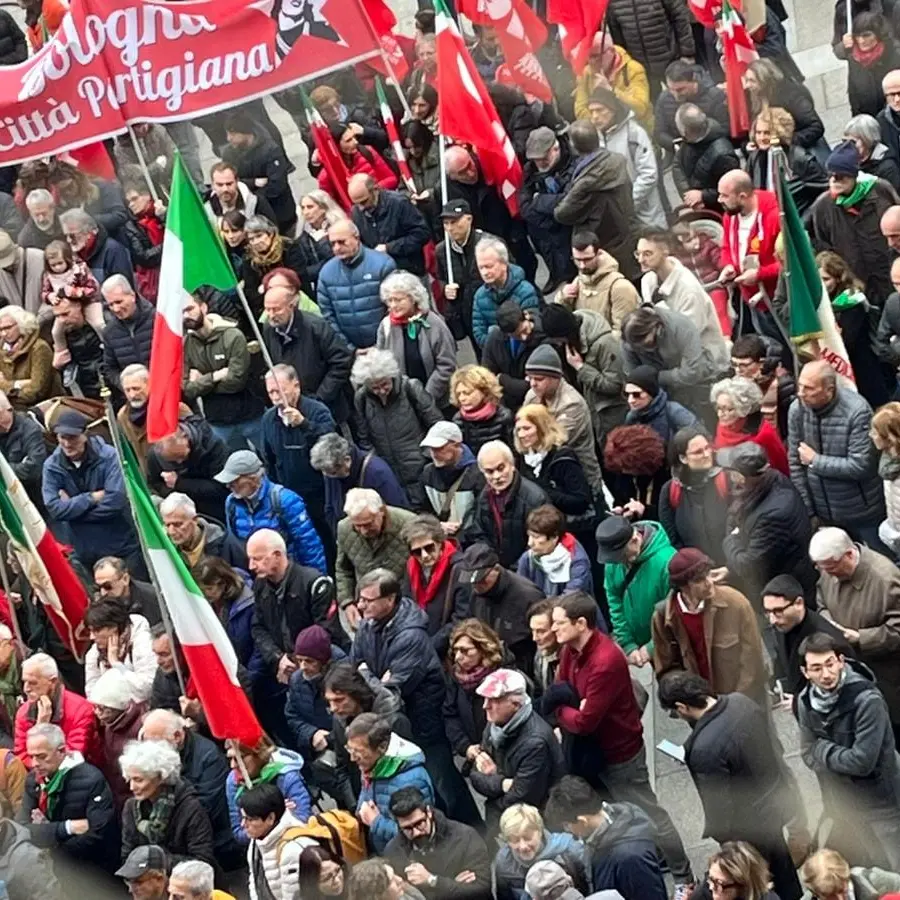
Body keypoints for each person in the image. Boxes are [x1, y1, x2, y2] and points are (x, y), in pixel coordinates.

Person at [548, 593, 694, 887]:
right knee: (613, 812)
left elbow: (585, 721)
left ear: (581, 623)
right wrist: (571, 706)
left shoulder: (605, 660)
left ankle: (683, 876)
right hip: (593, 754)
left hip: (620, 754)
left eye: (559, 623)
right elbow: (560, 689)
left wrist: (562, 710)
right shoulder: (570, 651)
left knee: (650, 813)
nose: (554, 630)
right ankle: (652, 854)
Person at [350, 569, 480, 828]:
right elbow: (356, 666)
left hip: (424, 723)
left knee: (444, 783)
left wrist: (367, 673)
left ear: (390, 600)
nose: (361, 605)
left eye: (368, 599)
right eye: (360, 598)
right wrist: (370, 674)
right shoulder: (367, 625)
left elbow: (391, 691)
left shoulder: (411, 636)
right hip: (398, 722)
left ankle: (475, 833)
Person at [659, 672, 802, 899]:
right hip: (773, 804)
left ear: (682, 706)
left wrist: (725, 841)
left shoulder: (705, 751)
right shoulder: (740, 702)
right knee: (782, 868)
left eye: (674, 713)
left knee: (755, 882)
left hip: (747, 829)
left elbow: (719, 808)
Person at [796, 632, 900, 868]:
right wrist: (827, 754)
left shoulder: (866, 700)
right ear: (805, 672)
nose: (826, 674)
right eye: (816, 668)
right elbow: (805, 753)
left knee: (896, 865)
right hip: (847, 803)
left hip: (882, 802)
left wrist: (821, 748)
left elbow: (862, 761)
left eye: (830, 664)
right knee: (875, 864)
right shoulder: (805, 701)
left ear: (841, 661)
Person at [810, 526, 900, 735]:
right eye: (822, 568)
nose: (827, 574)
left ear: (849, 555)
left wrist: (861, 637)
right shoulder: (828, 568)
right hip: (852, 670)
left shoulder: (886, 580)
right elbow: (821, 600)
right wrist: (828, 621)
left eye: (831, 567)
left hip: (888, 676)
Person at [652, 549, 768, 710]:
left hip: (741, 704)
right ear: (683, 587)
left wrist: (736, 704)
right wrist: (692, 700)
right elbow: (666, 668)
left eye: (709, 574)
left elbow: (752, 661)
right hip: (700, 708)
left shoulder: (736, 603)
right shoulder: (663, 617)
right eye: (700, 580)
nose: (709, 582)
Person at [788, 360, 885, 548]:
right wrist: (809, 509)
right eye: (800, 386)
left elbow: (861, 465)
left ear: (829, 389)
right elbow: (795, 461)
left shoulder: (857, 411)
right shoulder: (797, 409)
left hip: (862, 511)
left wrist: (815, 460)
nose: (801, 393)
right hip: (825, 512)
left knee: (880, 560)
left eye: (809, 388)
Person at [247, 528, 334, 714]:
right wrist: (278, 658)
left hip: (321, 669)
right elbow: (258, 627)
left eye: (257, 558)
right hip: (280, 665)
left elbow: (325, 631)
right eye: (250, 559)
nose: (251, 566)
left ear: (277, 555)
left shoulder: (315, 583)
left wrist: (296, 659)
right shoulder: (260, 586)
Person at [42, 411, 142, 572]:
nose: (67, 444)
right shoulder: (52, 466)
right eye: (62, 437)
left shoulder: (109, 457)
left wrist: (73, 513)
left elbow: (116, 501)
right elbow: (54, 508)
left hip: (120, 545)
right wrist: (91, 498)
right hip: (82, 550)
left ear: (85, 435)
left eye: (72, 437)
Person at [720, 442, 817, 606]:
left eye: (732, 472)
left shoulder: (774, 514)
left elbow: (749, 566)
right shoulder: (770, 480)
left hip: (785, 595)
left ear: (742, 477)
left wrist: (730, 539)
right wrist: (730, 567)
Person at [467, 668, 565, 828]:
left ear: (515, 704)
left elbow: (522, 795)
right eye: (485, 699)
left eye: (494, 700)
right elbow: (475, 775)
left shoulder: (535, 742)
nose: (485, 706)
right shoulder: (495, 724)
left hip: (532, 823)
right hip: (506, 811)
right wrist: (501, 783)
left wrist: (492, 777)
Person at [543, 777, 668, 900]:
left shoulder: (630, 858)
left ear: (582, 821)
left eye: (567, 825)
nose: (567, 831)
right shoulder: (605, 829)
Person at [139, 709, 233, 866]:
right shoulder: (153, 756)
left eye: (156, 742)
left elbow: (207, 807)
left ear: (177, 736)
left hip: (213, 843)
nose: (151, 748)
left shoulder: (209, 758)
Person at [19, 722, 118, 870]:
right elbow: (21, 829)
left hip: (91, 871)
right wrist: (67, 828)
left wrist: (50, 842)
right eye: (31, 756)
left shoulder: (91, 780)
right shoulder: (34, 780)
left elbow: (98, 834)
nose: (35, 764)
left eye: (41, 757)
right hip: (51, 868)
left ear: (61, 751)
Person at [810, 141, 899, 306]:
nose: (834, 180)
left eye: (841, 176)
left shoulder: (881, 190)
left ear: (854, 175)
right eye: (831, 175)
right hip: (856, 286)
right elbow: (821, 244)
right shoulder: (822, 206)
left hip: (888, 277)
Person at [351, 349, 442, 509]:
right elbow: (364, 438)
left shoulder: (410, 388)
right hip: (390, 474)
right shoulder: (362, 398)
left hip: (421, 469)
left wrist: (427, 456)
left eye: (384, 384)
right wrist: (378, 465)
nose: (381, 391)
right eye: (374, 387)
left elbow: (437, 425)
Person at [260, 364, 336, 548]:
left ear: (296, 386)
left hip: (321, 494)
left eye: (281, 391)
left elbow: (332, 442)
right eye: (271, 393)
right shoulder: (268, 419)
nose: (277, 398)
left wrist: (304, 424)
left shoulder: (317, 410)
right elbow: (268, 459)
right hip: (291, 497)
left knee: (328, 540)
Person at [553, 121, 637, 282]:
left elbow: (562, 214)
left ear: (574, 146)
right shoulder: (617, 161)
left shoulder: (585, 182)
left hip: (599, 240)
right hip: (624, 230)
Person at [216, 450, 327, 573]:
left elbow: (308, 544)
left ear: (252, 478)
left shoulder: (285, 500)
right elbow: (234, 546)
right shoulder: (231, 503)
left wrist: (318, 578)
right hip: (256, 577)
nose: (229, 486)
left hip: (288, 575)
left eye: (235, 481)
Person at [261, 279, 353, 425]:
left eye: (277, 309)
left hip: (325, 406)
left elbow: (342, 361)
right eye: (268, 309)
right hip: (290, 406)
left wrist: (320, 397)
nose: (271, 315)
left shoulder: (316, 327)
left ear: (292, 306)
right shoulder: (268, 328)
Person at [181, 292, 265, 450]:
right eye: (182, 313)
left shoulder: (232, 336)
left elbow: (236, 381)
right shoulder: (186, 346)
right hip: (218, 422)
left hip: (251, 415)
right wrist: (216, 376)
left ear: (203, 307)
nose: (186, 315)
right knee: (236, 469)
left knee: (272, 459)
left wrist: (201, 381)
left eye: (190, 309)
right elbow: (188, 390)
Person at [120, 739, 217, 870]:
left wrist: (155, 861)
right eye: (129, 779)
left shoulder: (191, 808)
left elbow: (203, 860)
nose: (132, 787)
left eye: (138, 780)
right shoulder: (131, 806)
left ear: (161, 777)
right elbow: (127, 853)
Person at [347, 713, 434, 854]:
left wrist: (376, 822)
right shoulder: (373, 766)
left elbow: (421, 834)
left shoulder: (411, 780)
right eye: (350, 750)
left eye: (358, 752)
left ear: (381, 748)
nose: (352, 758)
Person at [385, 786, 492, 900]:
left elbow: (482, 889)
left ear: (429, 812)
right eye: (407, 828)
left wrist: (433, 881)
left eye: (419, 823)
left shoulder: (465, 837)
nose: (416, 833)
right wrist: (455, 886)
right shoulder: (393, 851)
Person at [514, 404, 598, 548]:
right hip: (541, 536)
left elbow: (580, 501)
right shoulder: (522, 459)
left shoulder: (563, 458)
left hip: (574, 535)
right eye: (518, 429)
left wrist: (544, 492)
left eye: (527, 428)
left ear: (542, 428)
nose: (521, 434)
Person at [597, 515, 677, 666]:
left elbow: (673, 612)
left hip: (668, 644)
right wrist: (627, 644)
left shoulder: (668, 562)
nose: (620, 561)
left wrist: (652, 647)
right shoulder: (614, 560)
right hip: (637, 643)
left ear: (634, 540)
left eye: (623, 555)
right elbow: (614, 599)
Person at [523, 346, 604, 492]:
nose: (533, 383)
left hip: (580, 480)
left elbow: (553, 442)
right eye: (530, 378)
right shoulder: (532, 396)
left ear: (556, 378)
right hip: (547, 475)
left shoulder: (573, 404)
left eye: (539, 379)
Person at [761, 574, 854, 702]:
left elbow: (846, 690)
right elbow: (782, 657)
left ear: (799, 603)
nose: (772, 620)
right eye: (768, 612)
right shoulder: (783, 624)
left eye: (778, 611)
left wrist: (800, 702)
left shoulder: (829, 638)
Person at [817, 248, 890, 408]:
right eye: (819, 280)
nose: (822, 284)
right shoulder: (821, 303)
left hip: (863, 367)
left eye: (826, 279)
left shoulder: (852, 301)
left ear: (838, 278)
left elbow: (848, 340)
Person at [375, 271, 457, 409]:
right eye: (390, 300)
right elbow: (383, 364)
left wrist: (425, 397)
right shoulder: (385, 326)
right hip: (406, 405)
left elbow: (446, 365)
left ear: (413, 298)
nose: (393, 305)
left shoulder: (434, 323)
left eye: (399, 300)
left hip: (439, 402)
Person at [717, 171, 783, 341]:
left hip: (778, 300)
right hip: (752, 299)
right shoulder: (730, 215)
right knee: (770, 345)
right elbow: (727, 246)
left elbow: (791, 262)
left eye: (724, 195)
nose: (719, 200)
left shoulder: (775, 217)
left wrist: (760, 274)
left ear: (742, 196)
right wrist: (729, 265)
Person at [622, 305, 727, 411]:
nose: (642, 349)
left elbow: (693, 372)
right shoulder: (628, 342)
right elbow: (634, 379)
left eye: (645, 344)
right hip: (659, 393)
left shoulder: (681, 326)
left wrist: (656, 377)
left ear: (656, 328)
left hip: (698, 386)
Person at [586, 91, 666, 230]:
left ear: (612, 109)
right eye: (591, 111)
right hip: (618, 218)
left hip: (645, 214)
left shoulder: (634, 133)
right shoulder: (595, 138)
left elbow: (649, 174)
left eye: (599, 110)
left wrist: (627, 203)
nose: (594, 117)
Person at [335, 490, 416, 625]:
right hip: (367, 607)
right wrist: (347, 602)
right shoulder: (344, 528)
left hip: (403, 604)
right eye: (357, 526)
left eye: (368, 524)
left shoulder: (408, 524)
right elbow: (343, 569)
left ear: (381, 512)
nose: (363, 531)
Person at [637, 229, 729, 344]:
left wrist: (660, 306)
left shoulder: (688, 290)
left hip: (703, 355)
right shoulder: (647, 280)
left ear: (665, 252)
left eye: (647, 254)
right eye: (638, 253)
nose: (641, 260)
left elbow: (687, 337)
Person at [317, 219, 397, 351]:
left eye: (342, 242)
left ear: (356, 238)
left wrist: (381, 344)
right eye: (332, 243)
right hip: (349, 353)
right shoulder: (326, 273)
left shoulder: (383, 265)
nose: (337, 248)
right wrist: (350, 349)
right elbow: (328, 316)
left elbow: (394, 308)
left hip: (387, 346)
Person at [468, 441, 549, 568]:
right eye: (489, 471)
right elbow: (479, 534)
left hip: (527, 571)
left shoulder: (535, 498)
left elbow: (542, 542)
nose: (497, 476)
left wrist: (516, 570)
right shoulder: (483, 497)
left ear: (512, 464)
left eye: (501, 468)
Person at [312, 433, 411, 536]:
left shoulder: (377, 472)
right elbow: (330, 508)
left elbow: (397, 512)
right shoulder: (330, 472)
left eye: (333, 473)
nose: (328, 476)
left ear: (347, 460)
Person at [658, 428, 730, 565]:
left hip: (730, 567)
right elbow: (672, 537)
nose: (707, 454)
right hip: (696, 570)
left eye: (707, 448)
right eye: (698, 452)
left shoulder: (726, 480)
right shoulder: (670, 491)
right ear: (683, 458)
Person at [224, 736, 310, 849]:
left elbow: (303, 819)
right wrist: (280, 816)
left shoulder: (286, 777)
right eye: (230, 758)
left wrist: (258, 825)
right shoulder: (233, 781)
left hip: (295, 844)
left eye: (240, 758)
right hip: (261, 850)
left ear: (259, 754)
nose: (233, 765)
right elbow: (239, 833)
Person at [519, 128, 576, 292]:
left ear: (555, 149)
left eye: (544, 158)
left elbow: (568, 201)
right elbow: (525, 207)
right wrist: (548, 216)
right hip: (544, 231)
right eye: (536, 160)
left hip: (567, 230)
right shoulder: (530, 169)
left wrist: (539, 200)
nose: (540, 164)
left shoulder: (573, 164)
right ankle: (556, 275)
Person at [221, 112, 297, 234]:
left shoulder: (271, 150)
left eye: (233, 134)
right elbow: (230, 181)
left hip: (280, 215)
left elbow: (277, 185)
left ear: (246, 132)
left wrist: (253, 198)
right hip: (249, 218)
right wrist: (253, 182)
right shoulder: (229, 154)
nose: (229, 138)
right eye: (228, 133)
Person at [401, 515, 470, 651]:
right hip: (420, 639)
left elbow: (462, 618)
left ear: (440, 543)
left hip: (448, 646)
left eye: (429, 548)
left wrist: (431, 646)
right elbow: (407, 605)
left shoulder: (461, 568)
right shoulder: (411, 566)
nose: (424, 555)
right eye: (417, 551)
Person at [493, 804, 589, 900]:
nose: (523, 846)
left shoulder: (569, 849)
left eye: (528, 838)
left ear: (540, 831)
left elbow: (591, 887)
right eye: (515, 840)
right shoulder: (504, 862)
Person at [554, 232, 640, 334]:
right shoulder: (578, 281)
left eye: (587, 259)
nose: (582, 266)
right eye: (577, 260)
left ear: (598, 254)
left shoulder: (620, 287)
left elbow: (623, 333)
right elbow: (560, 320)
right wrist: (563, 298)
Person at [746, 108, 827, 214]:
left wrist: (803, 223)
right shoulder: (755, 158)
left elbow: (824, 192)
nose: (761, 137)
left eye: (767, 133)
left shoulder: (800, 158)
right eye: (758, 132)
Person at [147, 419, 230, 523]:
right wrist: (174, 495)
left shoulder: (212, 446)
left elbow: (221, 488)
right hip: (181, 513)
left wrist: (179, 483)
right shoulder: (155, 457)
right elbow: (155, 483)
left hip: (214, 508)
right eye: (174, 460)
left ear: (186, 438)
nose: (180, 462)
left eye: (182, 456)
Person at [435, 200, 493, 348]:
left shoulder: (489, 244)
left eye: (454, 222)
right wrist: (445, 288)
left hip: (491, 308)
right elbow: (440, 278)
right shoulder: (442, 251)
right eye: (446, 223)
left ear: (469, 219)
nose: (450, 228)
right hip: (466, 313)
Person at [237, 783, 308, 900]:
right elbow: (254, 882)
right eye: (243, 818)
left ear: (270, 818)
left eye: (250, 819)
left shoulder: (293, 850)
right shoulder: (256, 840)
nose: (243, 825)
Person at [349, 176, 431, 276]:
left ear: (375, 190)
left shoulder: (399, 203)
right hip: (379, 273)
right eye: (356, 204)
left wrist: (389, 248)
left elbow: (422, 233)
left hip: (409, 272)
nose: (361, 208)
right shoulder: (356, 212)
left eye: (364, 202)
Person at [472, 236, 541, 348]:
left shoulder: (525, 291)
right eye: (481, 268)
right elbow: (479, 334)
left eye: (489, 266)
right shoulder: (479, 296)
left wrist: (494, 334)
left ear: (504, 263)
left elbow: (530, 329)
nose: (484, 272)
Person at [574, 31, 652, 130]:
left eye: (596, 56)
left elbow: (641, 108)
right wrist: (599, 121)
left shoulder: (633, 70)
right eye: (588, 56)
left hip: (634, 128)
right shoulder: (586, 73)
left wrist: (611, 90)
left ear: (611, 51)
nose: (591, 61)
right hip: (601, 131)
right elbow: (579, 109)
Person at [83, 600, 155, 705]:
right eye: (90, 631)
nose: (92, 637)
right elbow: (92, 694)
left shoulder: (142, 642)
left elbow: (146, 689)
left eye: (96, 631)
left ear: (114, 628)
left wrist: (116, 664)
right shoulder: (94, 653)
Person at [743, 58, 826, 150]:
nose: (747, 85)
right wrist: (750, 145)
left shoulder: (791, 94)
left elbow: (815, 127)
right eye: (746, 80)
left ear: (764, 80)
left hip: (803, 150)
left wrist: (784, 142)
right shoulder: (752, 98)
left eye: (752, 81)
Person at [711, 377, 789, 474]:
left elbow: (781, 468)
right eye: (718, 408)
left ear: (743, 408)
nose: (720, 414)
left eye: (729, 409)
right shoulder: (724, 424)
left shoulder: (764, 434)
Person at [420, 423, 483, 536]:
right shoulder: (427, 473)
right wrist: (437, 526)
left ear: (456, 444)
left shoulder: (478, 474)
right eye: (431, 448)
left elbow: (483, 515)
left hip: (472, 540)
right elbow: (420, 509)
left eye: (439, 448)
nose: (434, 453)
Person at [161, 494, 248, 575]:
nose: (171, 531)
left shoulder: (226, 546)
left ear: (195, 520)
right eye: (167, 525)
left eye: (178, 524)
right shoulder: (165, 547)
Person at [517, 505, 594, 597]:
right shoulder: (527, 559)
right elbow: (521, 592)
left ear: (554, 538)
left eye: (536, 537)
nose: (530, 543)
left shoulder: (577, 561)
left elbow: (571, 598)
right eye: (529, 535)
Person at [655, 61, 729, 154]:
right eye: (670, 89)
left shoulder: (715, 96)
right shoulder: (664, 99)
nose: (675, 95)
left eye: (680, 90)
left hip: (710, 150)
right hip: (678, 152)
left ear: (693, 81)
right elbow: (659, 132)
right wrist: (673, 145)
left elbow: (724, 129)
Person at [100, 274, 154, 395]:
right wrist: (128, 386)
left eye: (119, 302)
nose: (116, 309)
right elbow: (110, 369)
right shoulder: (110, 332)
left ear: (132, 296)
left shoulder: (157, 320)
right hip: (135, 398)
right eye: (111, 305)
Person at [319, 122, 398, 200]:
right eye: (348, 140)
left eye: (354, 137)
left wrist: (370, 192)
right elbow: (330, 204)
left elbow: (391, 178)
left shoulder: (367, 152)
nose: (355, 142)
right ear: (336, 146)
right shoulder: (327, 175)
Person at [0, 307, 59, 409]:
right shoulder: (2, 350)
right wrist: (20, 384)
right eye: (0, 329)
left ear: (22, 324)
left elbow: (36, 391)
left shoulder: (39, 348)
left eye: (8, 328)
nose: (4, 334)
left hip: (45, 408)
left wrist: (6, 386)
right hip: (12, 409)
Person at [450, 365, 515, 456]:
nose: (462, 398)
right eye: (459, 394)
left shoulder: (504, 417)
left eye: (467, 393)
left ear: (484, 391)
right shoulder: (458, 420)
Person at [60, 209, 134, 287]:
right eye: (66, 236)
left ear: (90, 232)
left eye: (72, 236)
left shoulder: (113, 251)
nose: (68, 240)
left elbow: (122, 290)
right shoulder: (72, 253)